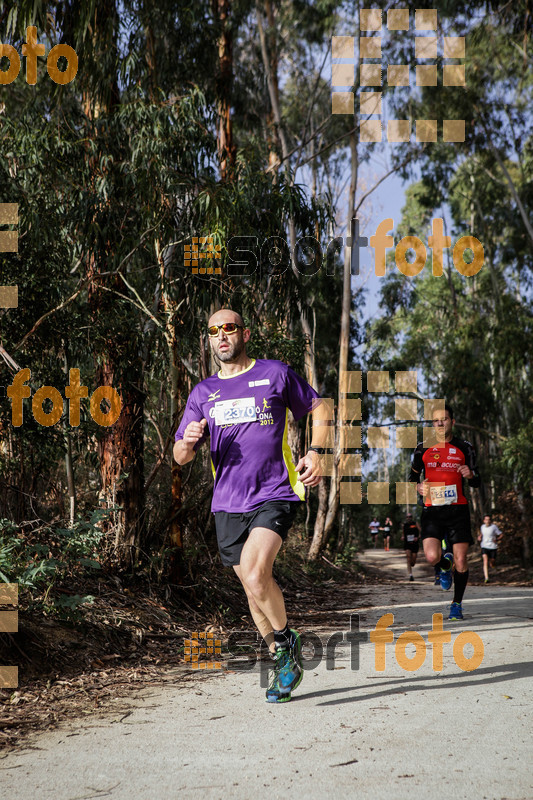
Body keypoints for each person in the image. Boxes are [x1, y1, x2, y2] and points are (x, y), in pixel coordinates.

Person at [173, 309, 327, 703]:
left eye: (228, 328)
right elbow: (179, 457)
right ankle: (281, 659)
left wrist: (316, 452)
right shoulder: (202, 393)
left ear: (244, 333)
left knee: (258, 576)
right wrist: (188, 442)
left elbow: (319, 409)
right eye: (212, 331)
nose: (220, 336)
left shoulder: (274, 373)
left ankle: (288, 643)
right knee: (251, 588)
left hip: (274, 491)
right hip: (227, 503)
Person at [409, 403, 481, 620]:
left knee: (461, 560)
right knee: (432, 556)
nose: (440, 423)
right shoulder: (422, 448)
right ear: (433, 424)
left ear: (452, 422)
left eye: (444, 419)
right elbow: (412, 478)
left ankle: (456, 604)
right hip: (432, 510)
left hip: (458, 509)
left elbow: (477, 480)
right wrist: (418, 487)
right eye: (436, 420)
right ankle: (443, 566)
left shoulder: (465, 447)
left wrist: (470, 474)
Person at [478, 514, 503, 583]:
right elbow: (482, 534)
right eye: (486, 520)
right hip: (484, 546)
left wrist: (497, 539)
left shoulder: (494, 527)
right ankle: (486, 577)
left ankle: (492, 564)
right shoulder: (482, 527)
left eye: (489, 519)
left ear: (490, 521)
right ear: (484, 521)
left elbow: (501, 534)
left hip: (493, 546)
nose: (487, 521)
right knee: (485, 561)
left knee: (492, 562)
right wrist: (479, 537)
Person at [403, 513, 420, 581]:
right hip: (407, 543)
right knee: (408, 557)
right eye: (407, 517)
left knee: (413, 561)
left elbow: (420, 531)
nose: (408, 518)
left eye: (410, 517)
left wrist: (418, 537)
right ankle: (410, 575)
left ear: (412, 517)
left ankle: (412, 563)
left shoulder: (415, 523)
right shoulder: (405, 525)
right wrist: (403, 536)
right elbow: (403, 533)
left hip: (414, 544)